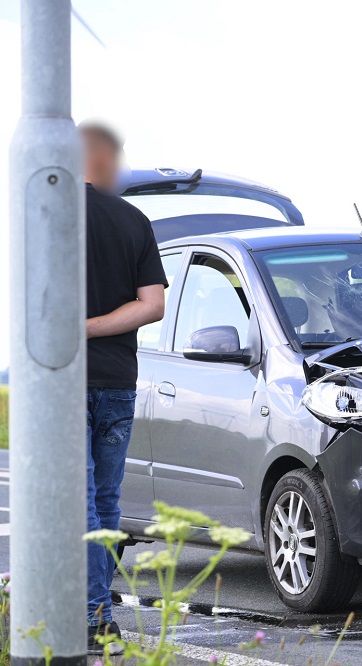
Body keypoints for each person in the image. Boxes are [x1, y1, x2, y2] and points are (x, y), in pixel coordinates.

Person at [80, 121, 167, 654]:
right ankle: (98, 606)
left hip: (63, 382)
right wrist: (96, 327)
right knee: (106, 500)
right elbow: (151, 305)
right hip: (118, 381)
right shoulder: (135, 219)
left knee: (82, 502)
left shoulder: (50, 217)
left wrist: (75, 328)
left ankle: (94, 616)